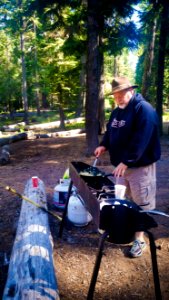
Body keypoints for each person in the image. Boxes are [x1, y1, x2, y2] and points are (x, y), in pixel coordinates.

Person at [94, 76, 161, 258]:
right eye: (115, 95)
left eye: (122, 94)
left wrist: (127, 161)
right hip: (120, 167)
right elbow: (111, 131)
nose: (118, 98)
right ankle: (125, 229)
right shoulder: (117, 112)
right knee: (123, 200)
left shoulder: (143, 110)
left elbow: (142, 140)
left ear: (131, 90)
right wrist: (103, 145)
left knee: (141, 203)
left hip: (139, 167)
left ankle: (139, 240)